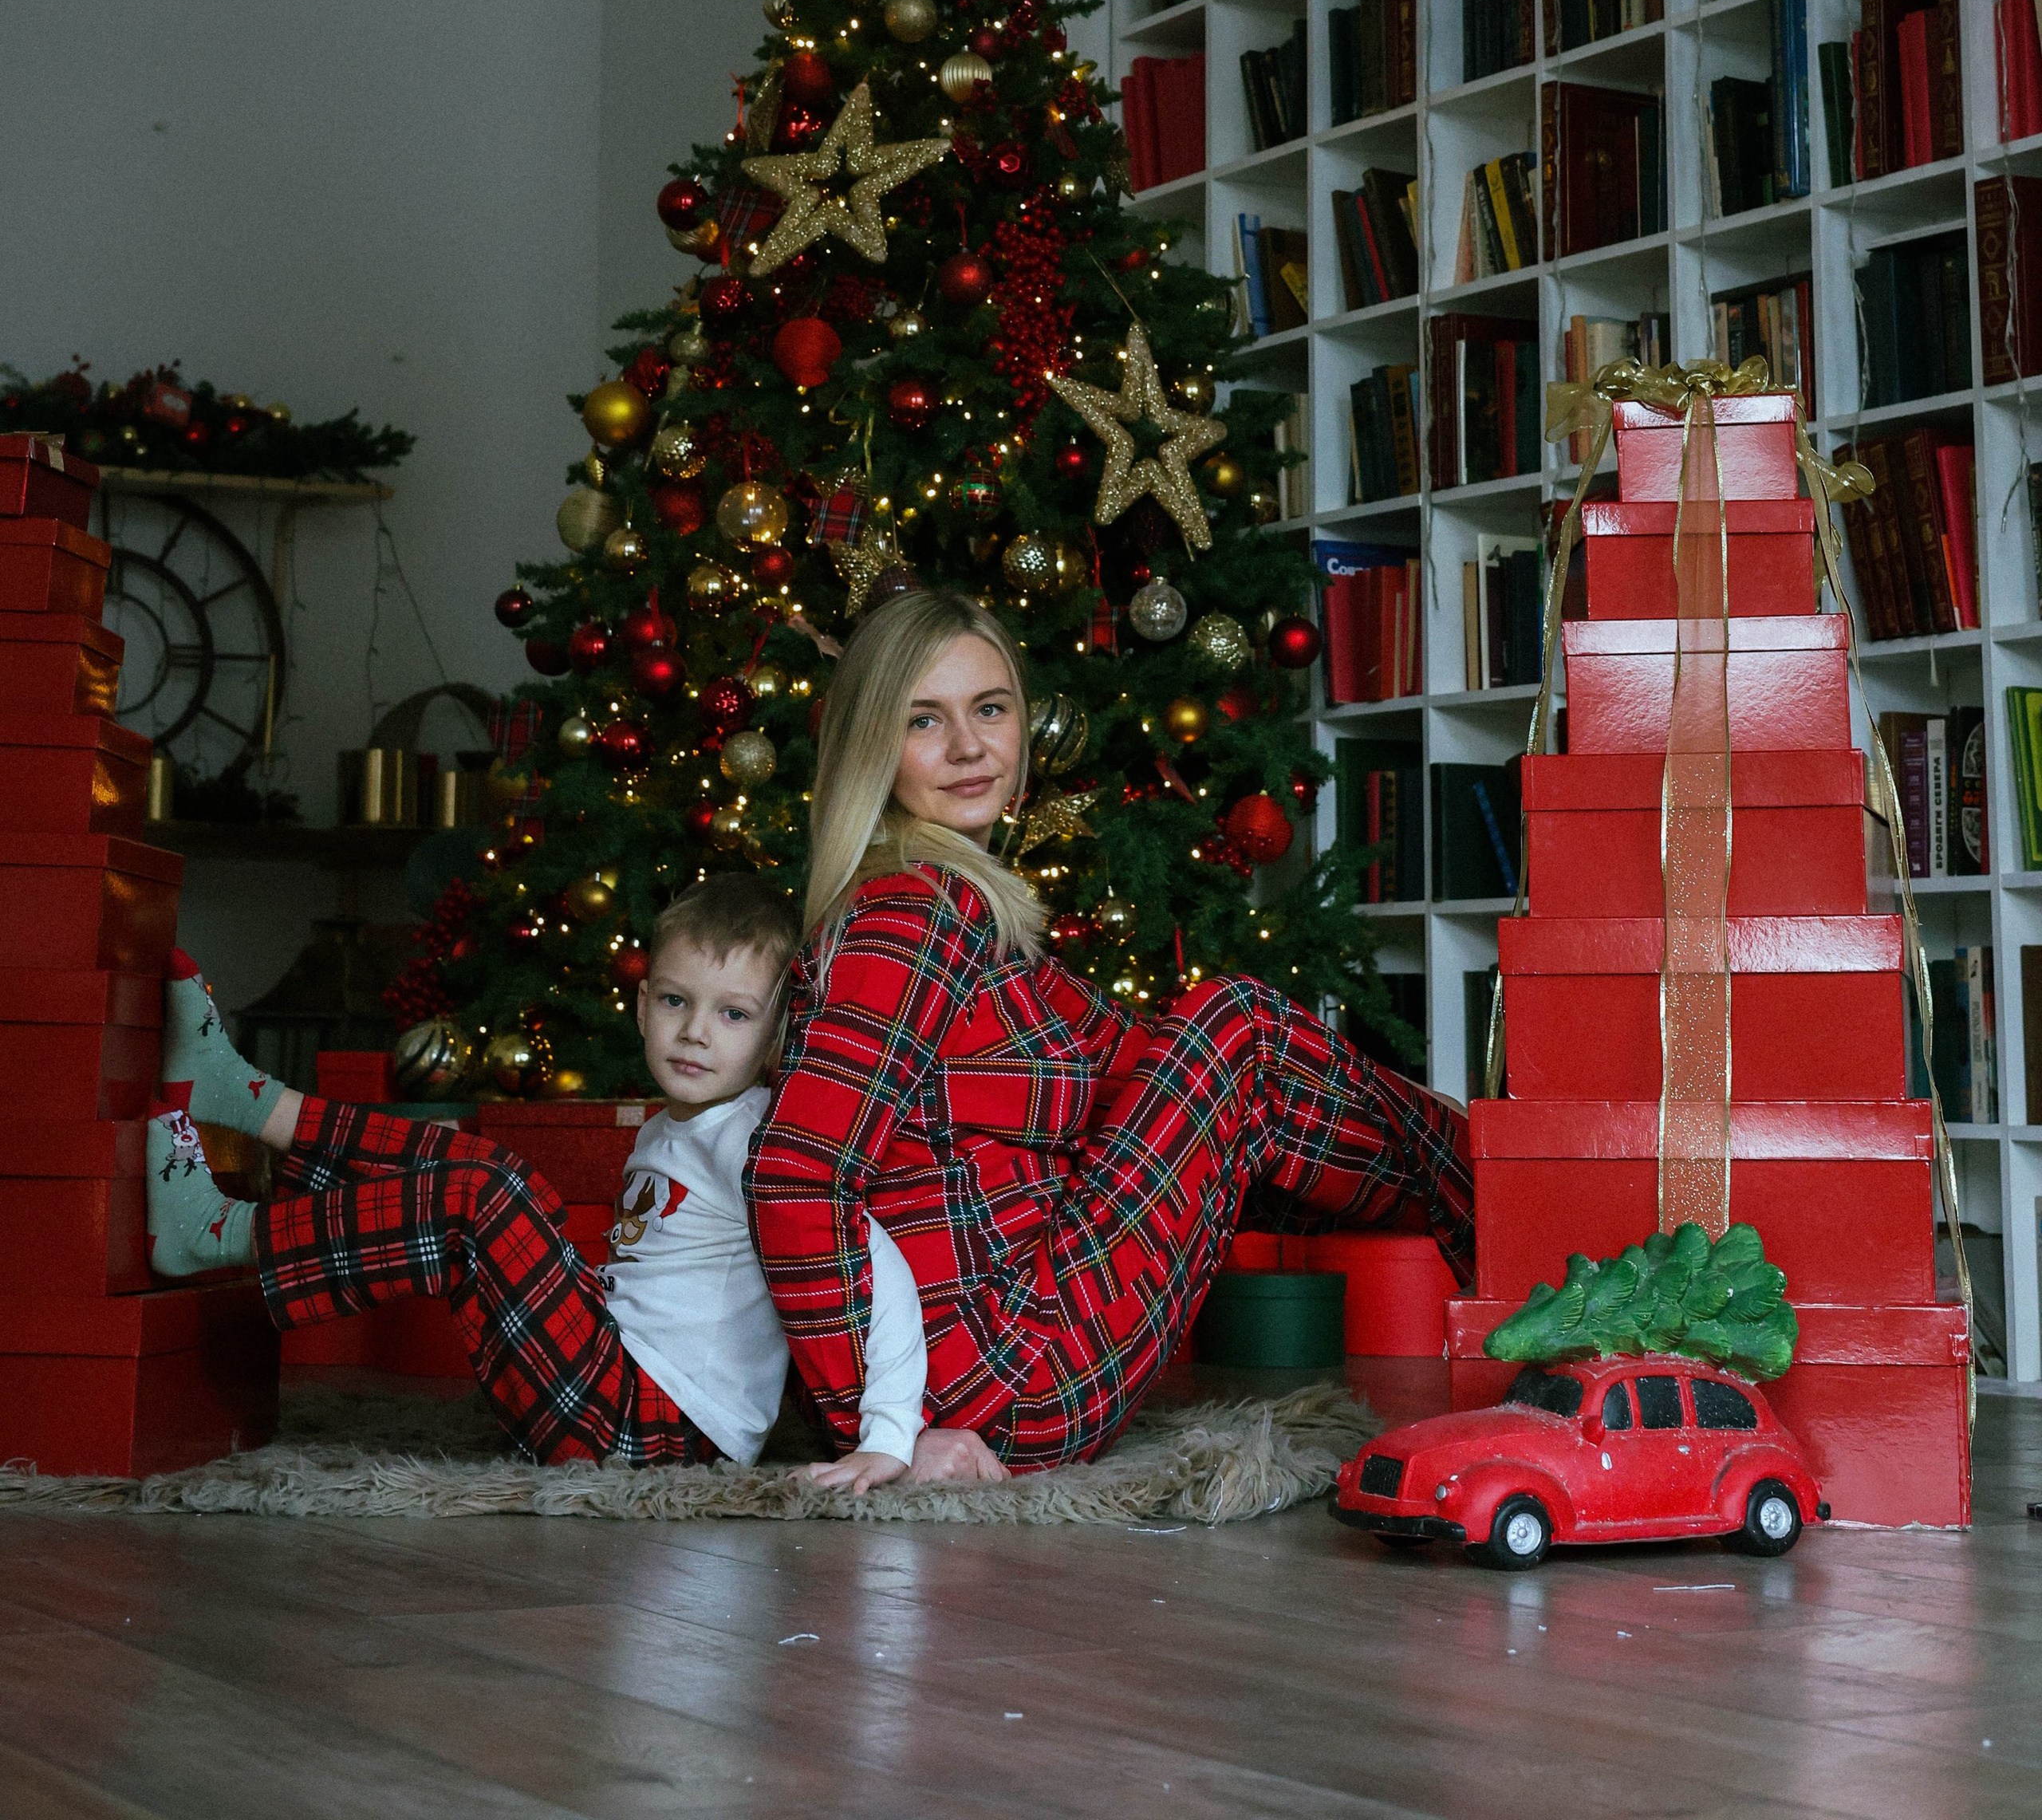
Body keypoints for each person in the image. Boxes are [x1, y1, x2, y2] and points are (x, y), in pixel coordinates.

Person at [747, 586, 1475, 1475]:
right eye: (923, 721)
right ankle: (1507, 1201)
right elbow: (796, 1173)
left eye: (989, 709)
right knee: (1235, 1024)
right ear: (872, 747)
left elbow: (1135, 1061)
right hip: (1002, 1379)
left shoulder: (970, 915)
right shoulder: (911, 918)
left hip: (1014, 1343)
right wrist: (883, 1434)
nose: (971, 747)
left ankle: (1494, 1190)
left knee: (1232, 1049)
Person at [145, 874, 928, 1485]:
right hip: (612, 1388)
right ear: (641, 1003)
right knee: (502, 1183)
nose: (694, 1031)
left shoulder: (758, 1138)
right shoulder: (671, 1127)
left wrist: (890, 1433)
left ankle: (219, 1230)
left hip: (662, 1432)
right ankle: (247, 1101)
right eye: (677, 1001)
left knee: (488, 1194)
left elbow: (876, 1266)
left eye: (733, 1014)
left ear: (773, 1038)